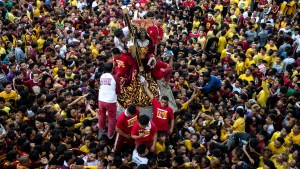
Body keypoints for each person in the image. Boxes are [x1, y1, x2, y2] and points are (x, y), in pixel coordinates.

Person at [98, 62, 120, 139]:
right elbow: (118, 91)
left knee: (102, 114)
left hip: (101, 99)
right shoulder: (115, 78)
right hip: (110, 101)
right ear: (112, 69)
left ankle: (102, 128)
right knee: (111, 117)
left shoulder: (102, 76)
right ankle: (110, 134)